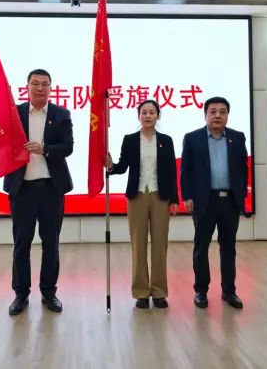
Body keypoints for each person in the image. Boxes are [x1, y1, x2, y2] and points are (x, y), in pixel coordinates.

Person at [3, 69, 74, 315]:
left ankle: (49, 292)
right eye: (35, 83)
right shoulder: (15, 114)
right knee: (21, 243)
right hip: (22, 188)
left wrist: (45, 149)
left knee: (51, 243)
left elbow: (67, 147)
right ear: (27, 87)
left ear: (51, 88)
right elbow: (4, 143)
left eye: (45, 84)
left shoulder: (61, 114)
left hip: (51, 189)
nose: (40, 88)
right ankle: (20, 294)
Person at [104, 100, 179, 309]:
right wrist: (111, 166)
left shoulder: (166, 141)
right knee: (138, 245)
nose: (147, 116)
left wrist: (174, 200)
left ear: (158, 116)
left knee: (159, 245)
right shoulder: (130, 140)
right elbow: (122, 166)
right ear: (139, 116)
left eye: (152, 112)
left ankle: (159, 292)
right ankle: (141, 292)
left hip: (160, 196)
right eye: (144, 112)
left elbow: (171, 172)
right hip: (137, 197)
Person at [180, 96, 247, 310]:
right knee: (201, 247)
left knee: (229, 248)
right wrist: (188, 197)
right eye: (213, 111)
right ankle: (201, 291)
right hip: (204, 202)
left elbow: (242, 169)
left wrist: (241, 196)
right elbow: (185, 171)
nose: (218, 115)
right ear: (205, 114)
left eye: (222, 112)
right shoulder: (192, 138)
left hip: (229, 202)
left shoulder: (237, 138)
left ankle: (229, 291)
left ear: (227, 115)